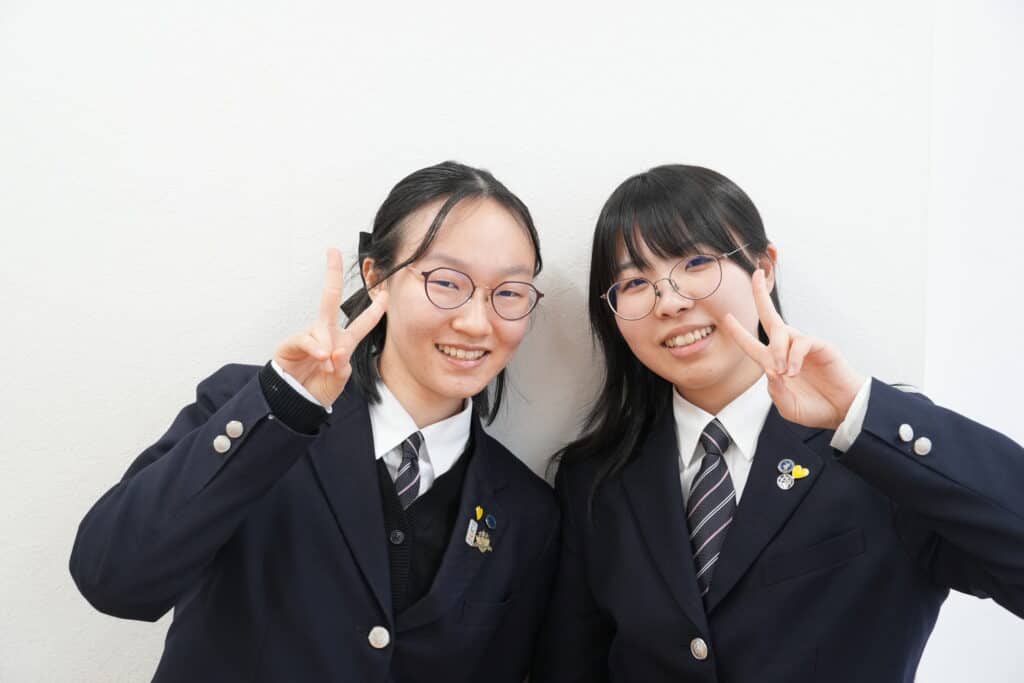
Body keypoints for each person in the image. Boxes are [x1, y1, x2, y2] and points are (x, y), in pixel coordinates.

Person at [531, 164, 1024, 682]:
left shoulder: (879, 452)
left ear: (763, 268)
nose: (670, 301)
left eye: (696, 261)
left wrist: (860, 412)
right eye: (635, 282)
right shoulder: (596, 481)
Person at [71, 161, 559, 683]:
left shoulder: (528, 512)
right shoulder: (250, 409)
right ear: (376, 278)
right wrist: (282, 407)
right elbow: (112, 579)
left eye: (509, 292)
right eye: (446, 282)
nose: (477, 322)